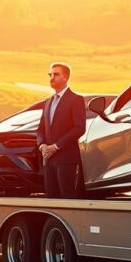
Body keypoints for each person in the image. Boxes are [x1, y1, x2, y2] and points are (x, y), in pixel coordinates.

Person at [36, 62, 87, 198]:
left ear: (66, 77)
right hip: (48, 159)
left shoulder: (76, 99)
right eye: (50, 74)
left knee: (67, 198)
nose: (52, 77)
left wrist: (56, 146)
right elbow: (40, 129)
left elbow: (79, 128)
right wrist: (42, 145)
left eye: (56, 74)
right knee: (51, 200)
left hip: (66, 159)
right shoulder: (48, 102)